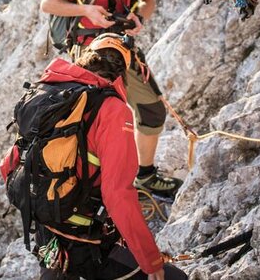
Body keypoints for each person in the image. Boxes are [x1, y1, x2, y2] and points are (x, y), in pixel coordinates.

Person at [40, 0, 183, 196]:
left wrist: (139, 16)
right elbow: (49, 3)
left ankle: (144, 175)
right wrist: (87, 11)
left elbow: (149, 0)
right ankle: (95, 188)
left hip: (122, 44)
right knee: (103, 120)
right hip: (91, 52)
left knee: (152, 109)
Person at [13, 35, 187, 280]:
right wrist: (151, 260)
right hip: (83, 239)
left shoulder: (47, 91)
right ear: (121, 76)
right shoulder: (112, 110)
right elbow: (118, 194)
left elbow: (12, 162)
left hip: (45, 228)